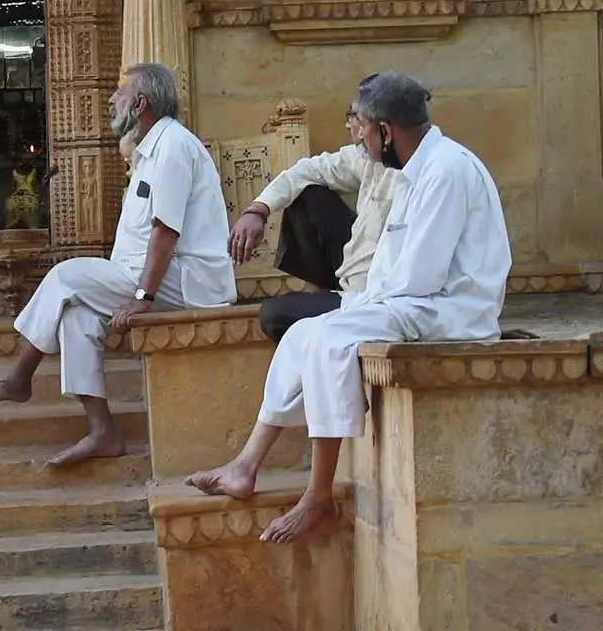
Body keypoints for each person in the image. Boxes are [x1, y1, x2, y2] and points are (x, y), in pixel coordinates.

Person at [187, 71, 512, 544]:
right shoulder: (412, 166)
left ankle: (318, 497)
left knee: (328, 338)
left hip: (448, 310)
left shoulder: (446, 171)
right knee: (303, 334)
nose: (355, 134)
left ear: (386, 129)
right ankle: (245, 466)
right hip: (407, 298)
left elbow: (418, 276)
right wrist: (358, 301)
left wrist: (357, 306)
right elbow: (398, 270)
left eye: (360, 124)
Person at [0, 63, 237, 466]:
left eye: (120, 93)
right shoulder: (148, 152)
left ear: (141, 103)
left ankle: (18, 377)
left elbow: (165, 232)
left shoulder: (174, 146)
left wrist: (142, 297)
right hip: (152, 277)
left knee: (64, 276)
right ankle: (102, 432)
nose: (111, 99)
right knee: (77, 317)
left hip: (188, 281)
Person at [228, 74, 401, 342]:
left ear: (383, 128)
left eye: (354, 117)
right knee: (307, 193)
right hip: (353, 285)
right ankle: (318, 295)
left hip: (375, 300)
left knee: (275, 314)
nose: (348, 125)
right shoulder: (365, 157)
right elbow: (305, 170)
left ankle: (323, 307)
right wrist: (258, 209)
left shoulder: (424, 173)